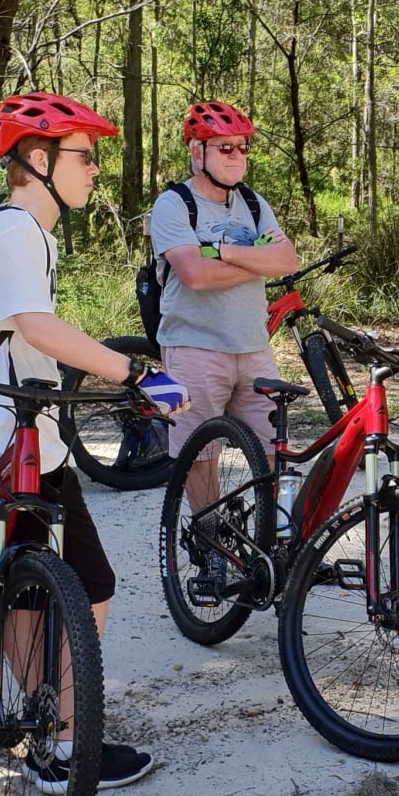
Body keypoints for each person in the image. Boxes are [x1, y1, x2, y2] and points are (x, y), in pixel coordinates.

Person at [0, 91, 188, 791]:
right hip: (7, 442)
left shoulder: (18, 232)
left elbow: (28, 333)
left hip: (3, 437)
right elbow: (34, 326)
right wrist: (138, 373)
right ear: (38, 161)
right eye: (84, 155)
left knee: (30, 590)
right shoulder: (15, 230)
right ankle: (63, 742)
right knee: (85, 583)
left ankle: (49, 722)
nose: (96, 169)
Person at [149, 100, 298, 508]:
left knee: (274, 449)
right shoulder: (174, 204)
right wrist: (255, 260)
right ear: (198, 152)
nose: (237, 156)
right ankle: (209, 539)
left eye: (242, 147)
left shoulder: (253, 203)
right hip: (195, 347)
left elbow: (287, 260)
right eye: (225, 147)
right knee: (199, 456)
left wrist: (220, 251)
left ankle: (270, 540)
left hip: (253, 348)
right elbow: (194, 275)